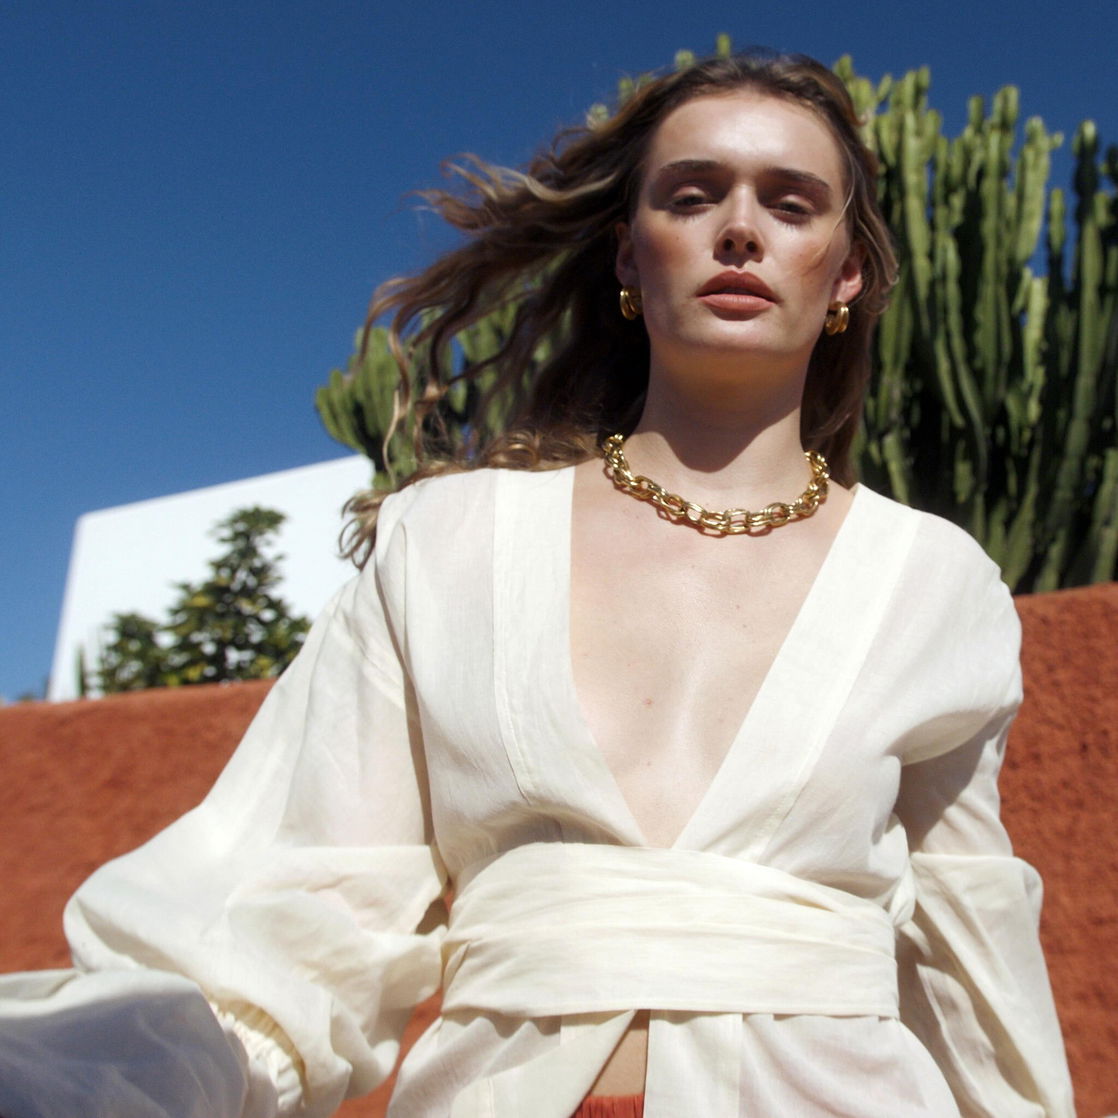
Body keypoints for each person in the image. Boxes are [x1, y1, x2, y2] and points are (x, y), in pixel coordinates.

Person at [0, 50, 1075, 1118]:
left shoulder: (933, 580)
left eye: (790, 204)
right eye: (691, 195)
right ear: (628, 254)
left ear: (845, 273)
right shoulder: (449, 544)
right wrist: (85, 1085)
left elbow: (968, 956)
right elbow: (288, 913)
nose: (740, 230)